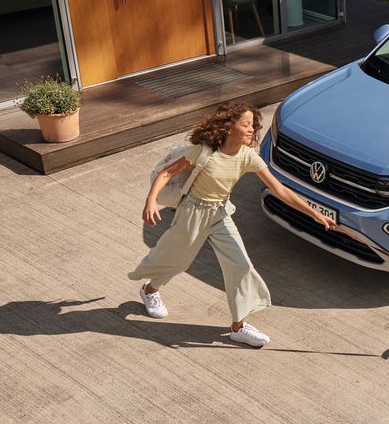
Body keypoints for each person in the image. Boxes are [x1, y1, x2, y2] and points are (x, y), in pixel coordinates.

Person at [128, 101, 336, 347]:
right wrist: (150, 201)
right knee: (176, 260)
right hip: (193, 212)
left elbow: (279, 189)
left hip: (220, 214)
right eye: (246, 124)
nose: (252, 130)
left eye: (253, 125)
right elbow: (166, 173)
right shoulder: (205, 152)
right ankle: (150, 290)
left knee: (240, 264)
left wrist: (312, 212)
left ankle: (239, 326)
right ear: (228, 127)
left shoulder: (247, 156)